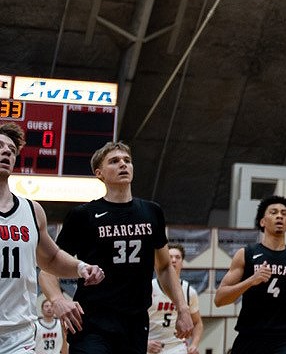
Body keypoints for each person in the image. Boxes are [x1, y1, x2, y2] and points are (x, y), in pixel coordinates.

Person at [39, 140, 183, 354]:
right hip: (92, 320)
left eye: (127, 160)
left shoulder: (152, 212)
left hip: (135, 322)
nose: (123, 164)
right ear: (99, 173)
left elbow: (163, 267)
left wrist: (183, 308)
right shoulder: (83, 215)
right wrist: (57, 299)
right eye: (114, 161)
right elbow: (48, 268)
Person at [1, 124, 104, 354]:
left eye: (11, 149)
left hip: (18, 334)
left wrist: (80, 267)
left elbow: (51, 258)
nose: (6, 151)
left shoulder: (31, 211)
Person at [215, 195, 286, 354]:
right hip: (250, 336)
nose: (279, 216)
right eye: (273, 212)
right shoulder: (246, 254)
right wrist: (250, 281)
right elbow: (219, 299)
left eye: (284, 213)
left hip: (284, 338)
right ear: (262, 222)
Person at [148, 243, 204, 354]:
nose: (173, 260)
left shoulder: (189, 291)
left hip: (177, 346)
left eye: (177, 257)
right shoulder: (149, 287)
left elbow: (197, 323)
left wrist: (194, 345)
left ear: (182, 263)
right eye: (170, 257)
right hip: (151, 345)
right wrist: (145, 342)